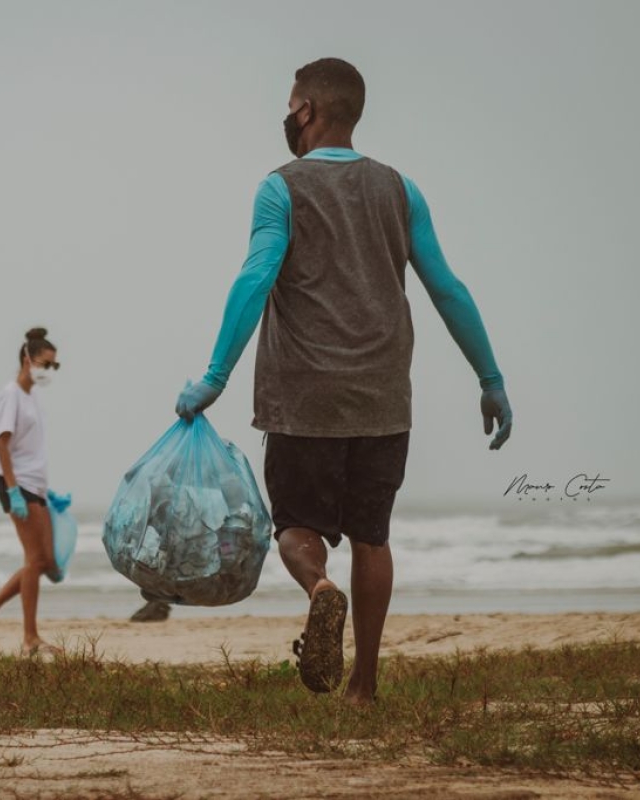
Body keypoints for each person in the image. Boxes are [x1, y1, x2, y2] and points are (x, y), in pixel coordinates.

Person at [176, 58, 512, 703]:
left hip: (303, 396)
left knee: (295, 526)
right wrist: (489, 377)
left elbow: (255, 278)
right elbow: (446, 287)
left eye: (290, 106)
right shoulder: (400, 190)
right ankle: (364, 685)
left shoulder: (280, 188)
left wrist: (215, 377)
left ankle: (319, 588)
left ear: (306, 110)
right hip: (382, 397)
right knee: (372, 536)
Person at [0, 328, 64, 656]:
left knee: (46, 561)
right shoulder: (10, 394)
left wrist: (48, 493)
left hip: (35, 485)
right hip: (17, 484)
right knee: (35, 559)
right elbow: (2, 444)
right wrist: (13, 491)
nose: (49, 370)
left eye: (53, 366)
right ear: (27, 359)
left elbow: (31, 447)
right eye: (45, 363)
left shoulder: (31, 396)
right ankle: (30, 637)